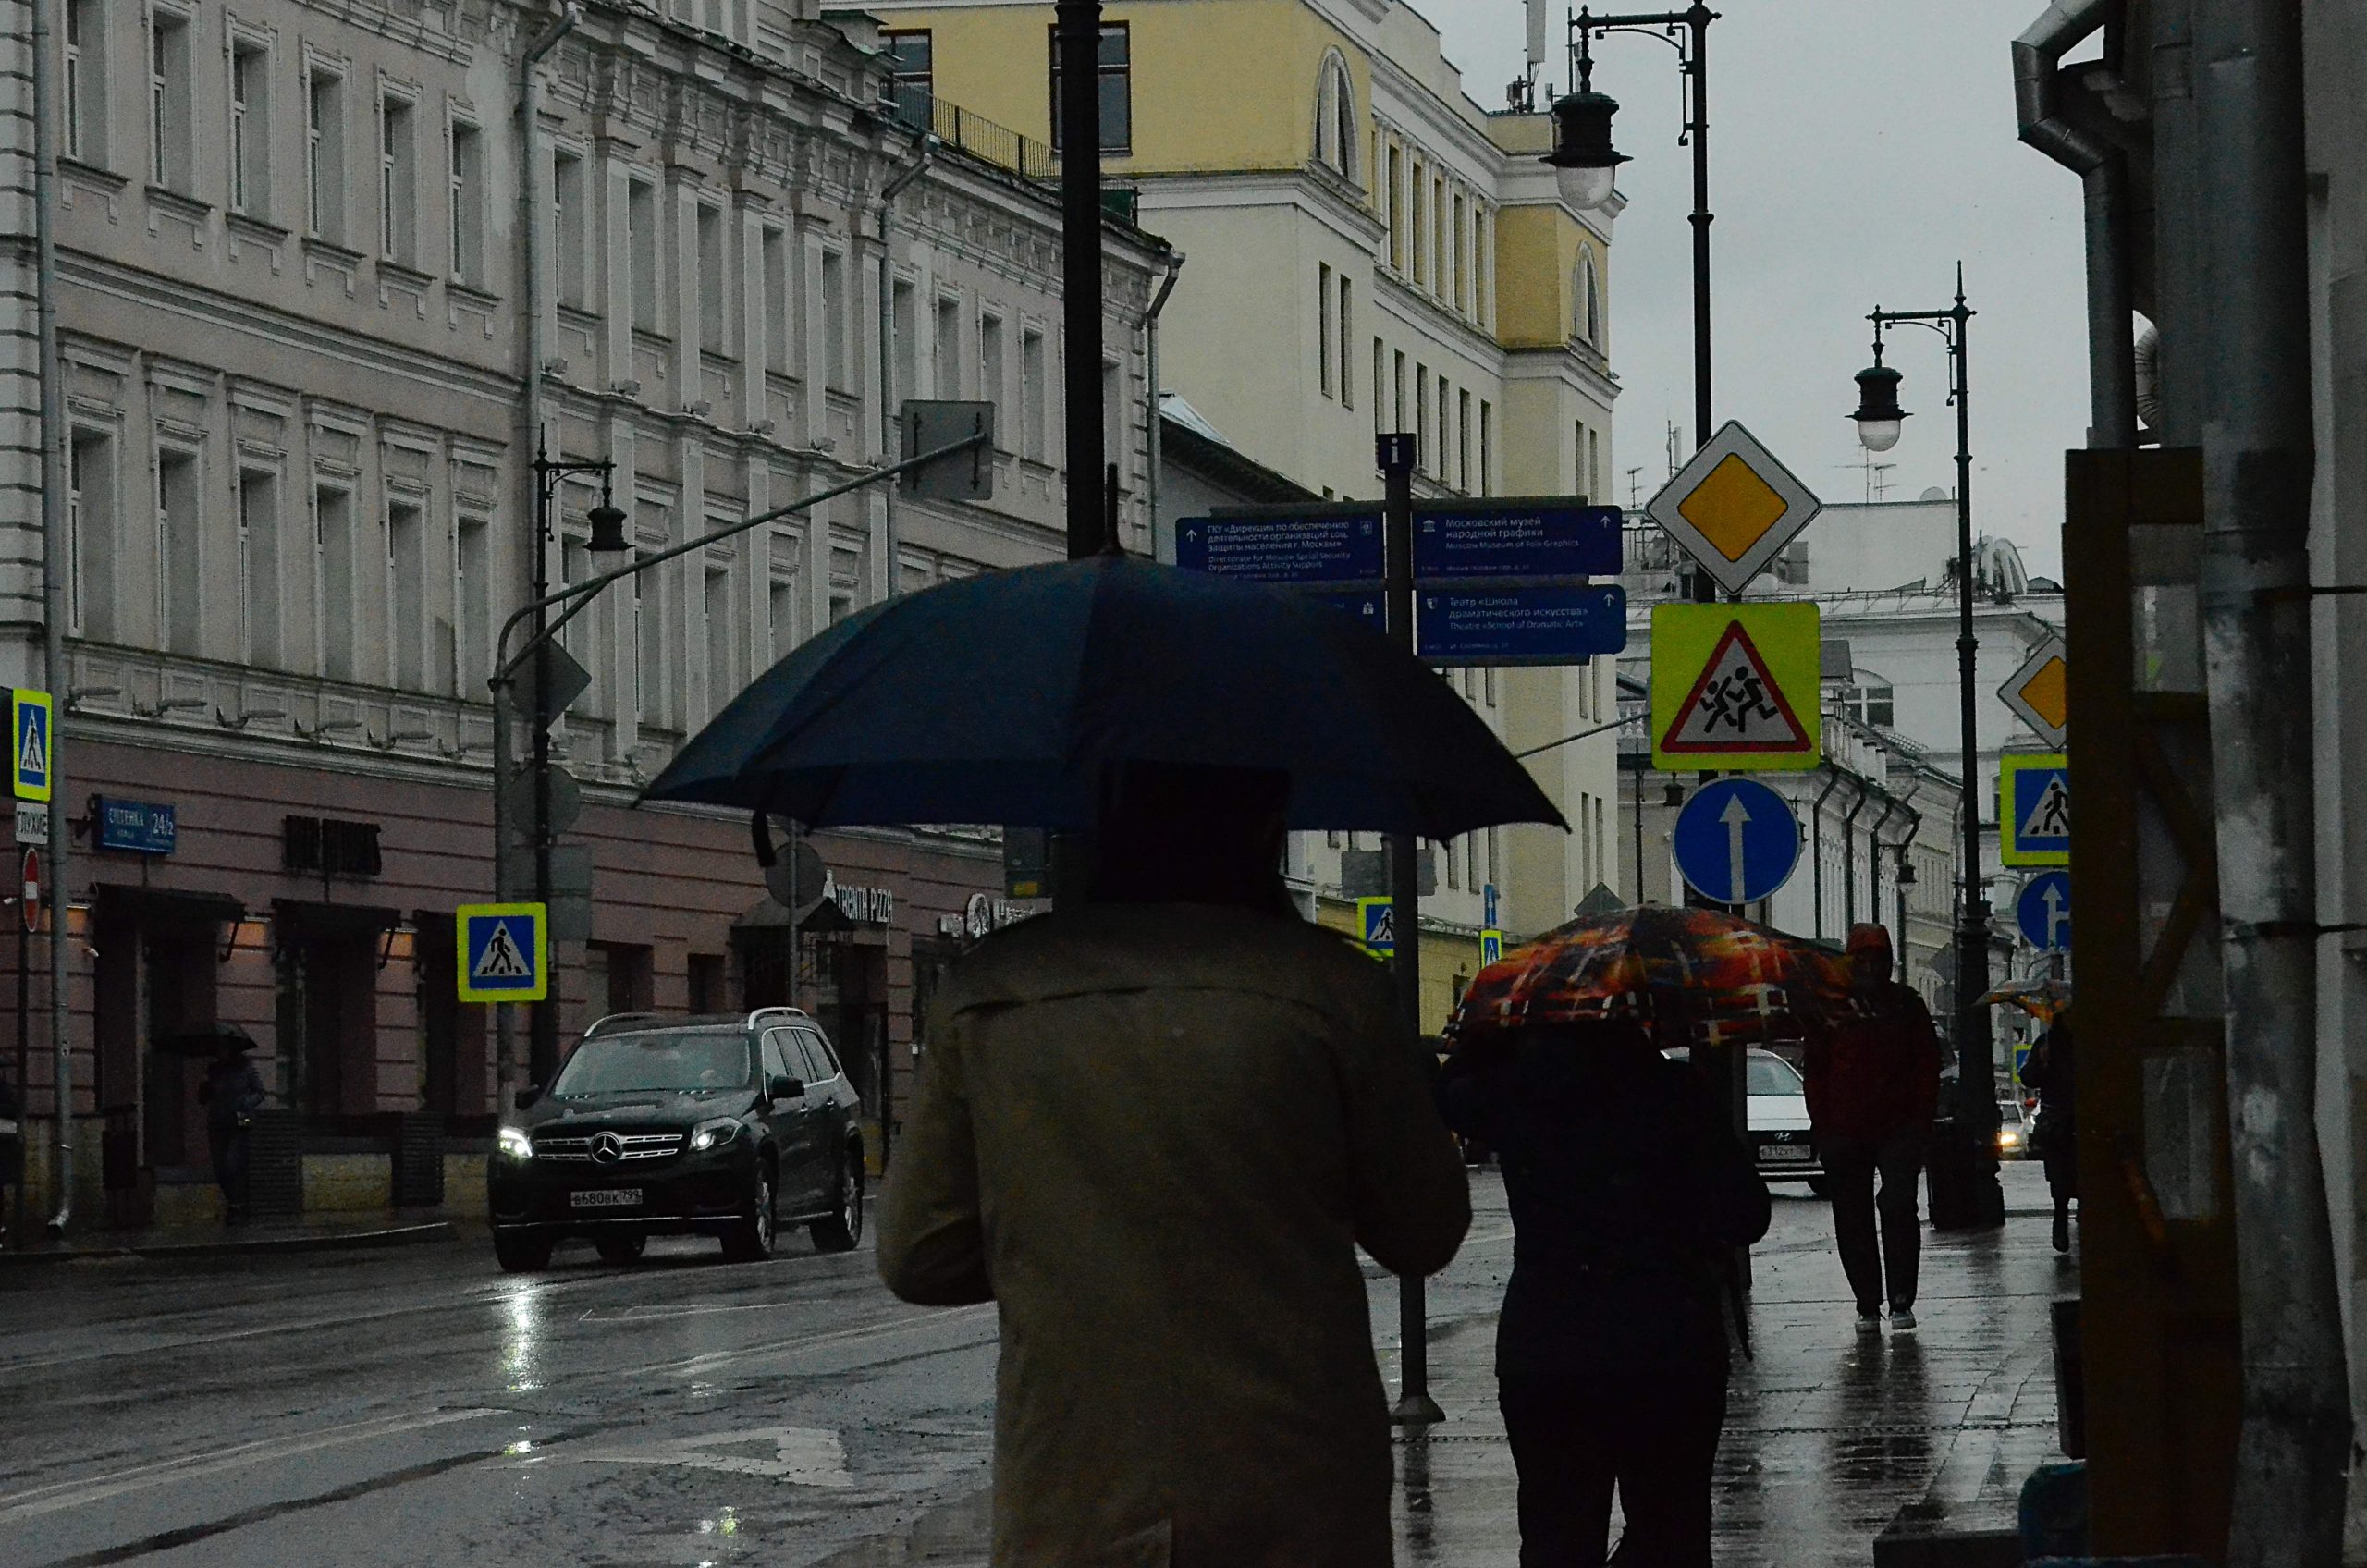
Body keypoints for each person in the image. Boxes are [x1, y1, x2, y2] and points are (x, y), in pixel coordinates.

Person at [877, 762, 1472, 1568]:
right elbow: (1424, 1232)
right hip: (1296, 1487)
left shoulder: (990, 995)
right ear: (1266, 828)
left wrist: (1066, 1242)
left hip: (1077, 1488)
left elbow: (918, 1254)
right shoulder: (1335, 992)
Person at [1438, 1019, 1769, 1568]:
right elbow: (1747, 1214)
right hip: (1668, 1343)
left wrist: (1484, 1043)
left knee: (1557, 1533)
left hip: (1550, 1342)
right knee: (1671, 1528)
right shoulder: (1675, 1093)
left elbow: (1446, 1098)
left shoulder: (1519, 1089)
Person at [1804, 924, 1942, 1332]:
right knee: (1853, 1216)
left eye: (1876, 958)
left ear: (1888, 962)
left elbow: (1927, 1066)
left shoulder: (1904, 1005)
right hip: (1848, 1129)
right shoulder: (1833, 1007)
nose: (1869, 965)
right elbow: (1816, 1071)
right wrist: (1824, 1124)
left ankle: (1898, 1299)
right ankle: (1868, 1302)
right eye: (1861, 958)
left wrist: (1918, 1122)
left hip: (1894, 1126)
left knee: (1895, 1208)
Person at [2021, 1015, 2078, 1253]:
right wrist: (2042, 1063)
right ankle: (2061, 1219)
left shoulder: (2088, 1039)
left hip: (2075, 1119)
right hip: (2058, 1122)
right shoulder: (2047, 1043)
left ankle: (2066, 1218)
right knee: (2059, 1176)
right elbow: (2028, 1077)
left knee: (2073, 1173)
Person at [198, 1037, 266, 1225]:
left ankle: (238, 1204)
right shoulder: (213, 1070)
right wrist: (205, 1085)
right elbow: (203, 1099)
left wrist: (245, 1103)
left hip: (241, 1118)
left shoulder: (246, 1068)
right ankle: (233, 1202)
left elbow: (260, 1092)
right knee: (220, 1165)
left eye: (224, 1049)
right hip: (218, 1120)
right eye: (218, 1049)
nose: (221, 1052)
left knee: (234, 1161)